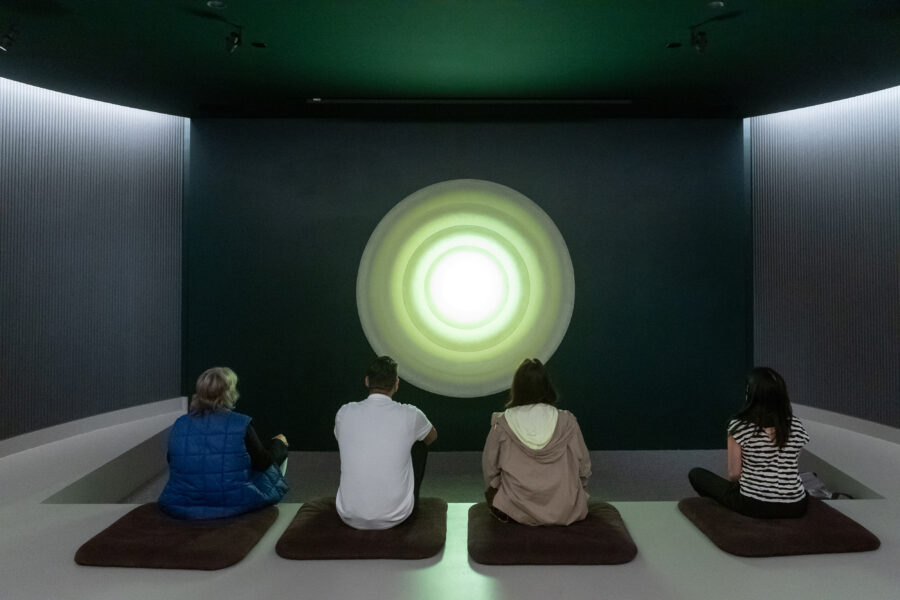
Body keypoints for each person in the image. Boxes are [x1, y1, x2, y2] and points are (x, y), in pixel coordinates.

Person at [158, 367, 289, 519]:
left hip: (182, 503)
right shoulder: (240, 422)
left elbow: (172, 460)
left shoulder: (180, 423)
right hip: (234, 502)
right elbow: (263, 463)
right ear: (229, 392)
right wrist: (279, 444)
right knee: (275, 452)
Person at [688, 366, 810, 518]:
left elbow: (734, 475)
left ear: (749, 394)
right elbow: (791, 466)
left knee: (696, 474)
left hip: (755, 505)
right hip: (796, 506)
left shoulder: (739, 425)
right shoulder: (796, 425)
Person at [481, 358, 591, 525]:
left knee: (494, 494)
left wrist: (496, 488)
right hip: (565, 510)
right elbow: (584, 466)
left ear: (516, 388)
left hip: (515, 511)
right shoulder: (567, 421)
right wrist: (577, 489)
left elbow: (490, 468)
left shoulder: (502, 423)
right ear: (547, 386)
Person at [334, 356, 437, 530]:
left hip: (348, 515)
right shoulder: (410, 414)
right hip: (396, 516)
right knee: (419, 444)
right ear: (396, 384)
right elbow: (432, 437)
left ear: (367, 381)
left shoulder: (344, 412)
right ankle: (411, 501)